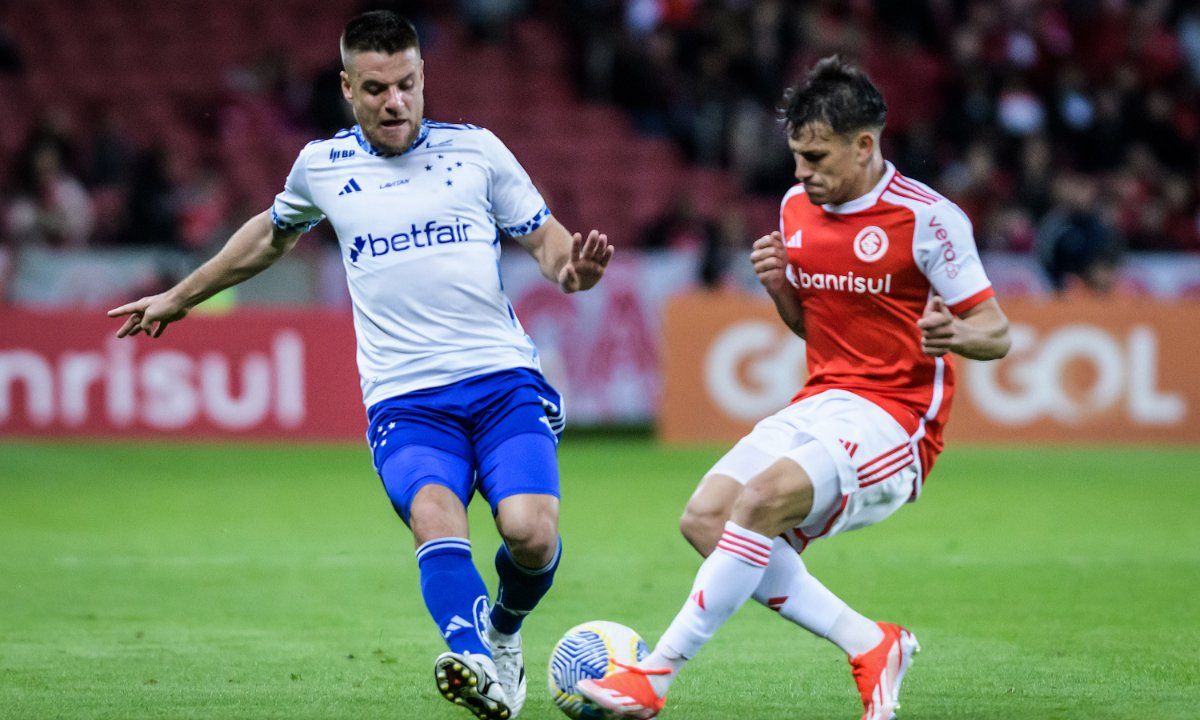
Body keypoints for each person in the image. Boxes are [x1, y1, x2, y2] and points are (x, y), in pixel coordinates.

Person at [107, 11, 612, 720]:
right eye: (376, 88)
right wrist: (182, 296)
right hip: (405, 399)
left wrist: (577, 273)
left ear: (423, 78)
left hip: (501, 381)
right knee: (435, 515)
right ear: (348, 87)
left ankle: (501, 632)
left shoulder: (479, 153)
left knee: (531, 533)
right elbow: (268, 237)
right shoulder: (323, 166)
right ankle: (471, 657)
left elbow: (553, 250)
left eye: (406, 84)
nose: (394, 101)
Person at [579, 56, 1010, 720]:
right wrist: (782, 290)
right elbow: (814, 329)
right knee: (705, 519)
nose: (802, 173)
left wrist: (952, 334)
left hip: (896, 420)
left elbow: (996, 333)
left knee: (756, 504)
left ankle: (653, 677)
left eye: (816, 156)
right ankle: (871, 643)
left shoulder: (929, 219)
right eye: (796, 157)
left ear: (865, 146)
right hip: (822, 400)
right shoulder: (795, 208)